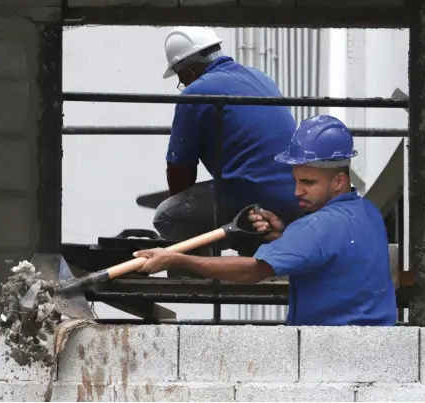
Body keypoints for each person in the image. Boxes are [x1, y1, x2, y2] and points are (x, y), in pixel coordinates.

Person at [134, 115, 397, 326]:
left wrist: (178, 259)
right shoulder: (369, 212)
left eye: (307, 182)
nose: (297, 192)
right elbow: (332, 256)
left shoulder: (316, 226)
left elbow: (253, 270)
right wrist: (285, 239)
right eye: (295, 180)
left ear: (339, 181)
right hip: (376, 346)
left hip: (329, 354)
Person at [155, 26, 302, 257]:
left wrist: (177, 199)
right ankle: (252, 251)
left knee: (167, 216)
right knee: (234, 191)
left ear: (190, 72)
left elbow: (180, 169)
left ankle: (200, 280)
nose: (184, 85)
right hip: (297, 194)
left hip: (256, 197)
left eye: (182, 79)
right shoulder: (260, 77)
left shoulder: (196, 91)